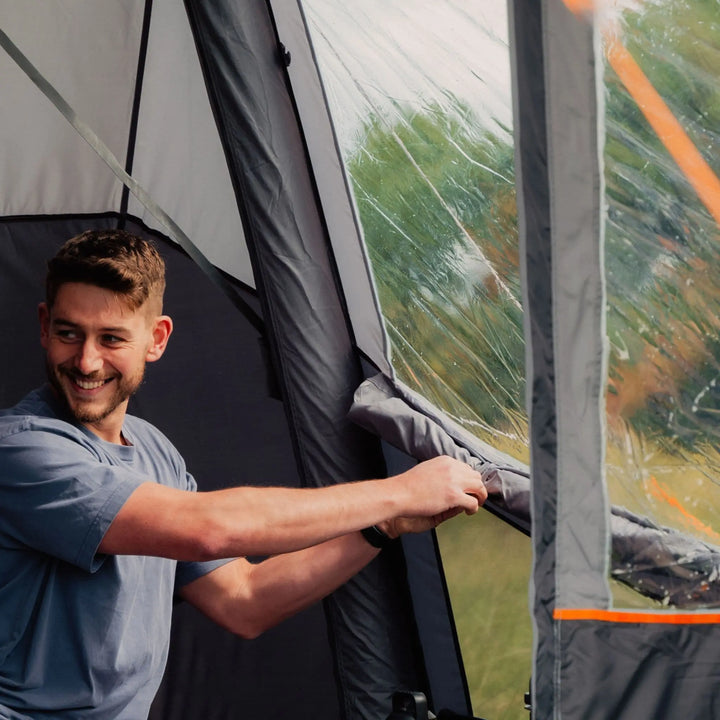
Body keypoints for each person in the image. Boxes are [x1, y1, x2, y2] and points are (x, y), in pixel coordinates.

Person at [0, 229, 487, 719]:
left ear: (157, 339)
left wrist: (384, 527)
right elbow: (207, 530)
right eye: (69, 333)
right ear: (44, 326)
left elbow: (243, 600)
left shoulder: (153, 452)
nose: (86, 361)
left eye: (111, 339)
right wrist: (400, 492)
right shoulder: (21, 449)